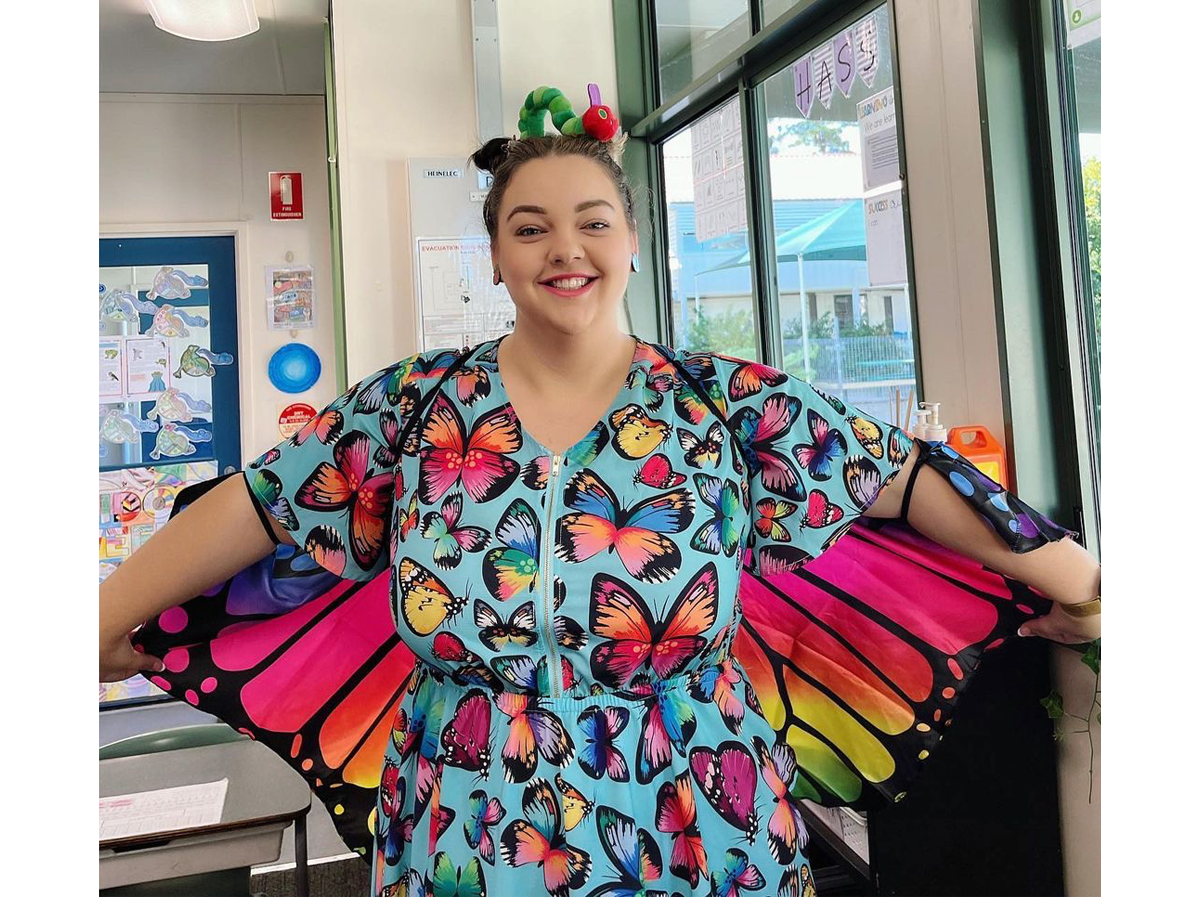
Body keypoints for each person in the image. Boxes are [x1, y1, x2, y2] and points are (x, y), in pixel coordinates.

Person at [99, 84, 1100, 896]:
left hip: (699, 820)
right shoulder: (411, 408)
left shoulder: (726, 404)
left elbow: (909, 476)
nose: (563, 250)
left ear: (631, 241)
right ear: (496, 257)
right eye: (529, 229)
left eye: (591, 222)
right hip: (465, 827)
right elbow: (262, 502)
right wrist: (97, 617)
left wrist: (1084, 582)